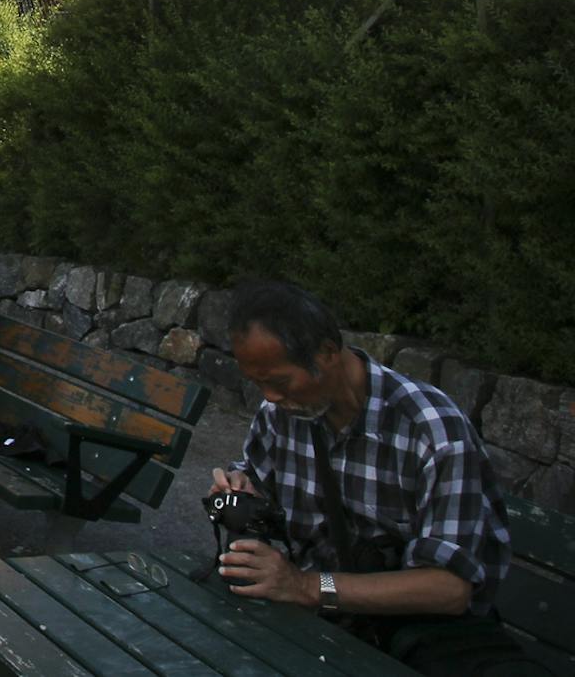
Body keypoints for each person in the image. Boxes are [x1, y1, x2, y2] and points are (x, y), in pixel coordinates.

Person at [211, 280, 543, 675]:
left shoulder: (432, 430)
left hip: (415, 638)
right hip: (317, 631)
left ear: (328, 353)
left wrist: (307, 587)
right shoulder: (282, 415)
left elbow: (449, 590)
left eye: (279, 382)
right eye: (257, 383)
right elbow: (255, 479)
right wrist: (238, 489)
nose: (268, 397)